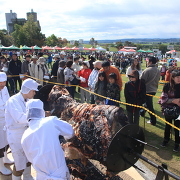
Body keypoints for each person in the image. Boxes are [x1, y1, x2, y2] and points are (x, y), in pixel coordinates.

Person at [21, 99, 74, 180]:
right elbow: (70, 132)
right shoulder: (50, 121)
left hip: (41, 176)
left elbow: (30, 159)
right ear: (42, 111)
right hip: (59, 174)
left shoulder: (24, 136)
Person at [5, 78, 39, 180]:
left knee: (28, 157)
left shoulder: (28, 100)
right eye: (33, 91)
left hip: (26, 132)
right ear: (27, 90)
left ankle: (27, 176)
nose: (34, 93)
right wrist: (37, 115)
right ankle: (16, 178)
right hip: (16, 135)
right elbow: (19, 118)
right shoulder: (13, 101)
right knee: (19, 163)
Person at [159, 69, 180, 152]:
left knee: (177, 127)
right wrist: (173, 100)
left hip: (179, 110)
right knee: (168, 126)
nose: (179, 79)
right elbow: (163, 98)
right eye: (177, 77)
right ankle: (166, 140)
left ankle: (177, 144)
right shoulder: (167, 85)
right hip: (168, 109)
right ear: (173, 77)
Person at [0, 72, 13, 175]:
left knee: (6, 140)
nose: (2, 85)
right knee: (0, 143)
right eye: (1, 83)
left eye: (4, 82)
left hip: (5, 119)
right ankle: (0, 166)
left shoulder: (4, 88)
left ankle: (5, 158)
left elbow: (8, 101)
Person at [140, 56, 160, 126]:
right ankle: (142, 112)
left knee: (149, 106)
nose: (147, 62)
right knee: (147, 104)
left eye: (148, 61)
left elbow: (142, 80)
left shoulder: (147, 70)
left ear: (150, 62)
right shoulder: (158, 70)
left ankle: (153, 120)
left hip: (147, 90)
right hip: (154, 89)